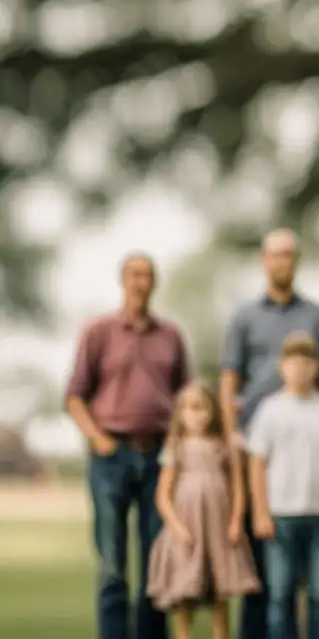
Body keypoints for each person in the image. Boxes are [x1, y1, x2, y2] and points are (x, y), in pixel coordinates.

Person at [218, 228, 319, 639]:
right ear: (264, 260)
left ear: (296, 261)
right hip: (256, 443)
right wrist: (231, 432)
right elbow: (229, 379)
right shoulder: (244, 316)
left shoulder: (315, 315)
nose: (283, 261)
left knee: (315, 588)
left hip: (310, 445)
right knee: (261, 571)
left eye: (290, 255)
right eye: (276, 255)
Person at [65, 253, 190, 639]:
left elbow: (186, 398)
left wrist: (176, 445)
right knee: (113, 563)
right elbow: (74, 396)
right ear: (122, 280)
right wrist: (99, 440)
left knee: (157, 560)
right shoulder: (99, 331)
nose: (141, 281)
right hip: (111, 457)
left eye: (148, 275)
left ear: (155, 283)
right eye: (135, 274)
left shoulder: (170, 335)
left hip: (158, 457)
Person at [248, 332, 319, 639]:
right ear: (282, 366)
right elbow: (257, 465)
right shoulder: (269, 410)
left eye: (307, 361)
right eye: (293, 361)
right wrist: (261, 512)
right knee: (280, 594)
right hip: (280, 516)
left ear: (316, 367)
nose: (300, 367)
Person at [147, 381, 260, 638]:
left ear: (213, 412)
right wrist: (177, 528)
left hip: (217, 530)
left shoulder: (224, 446)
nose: (196, 416)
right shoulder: (176, 447)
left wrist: (235, 521)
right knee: (184, 595)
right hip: (188, 531)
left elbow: (238, 489)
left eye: (202, 409)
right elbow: (163, 496)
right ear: (180, 414)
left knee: (219, 594)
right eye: (189, 410)